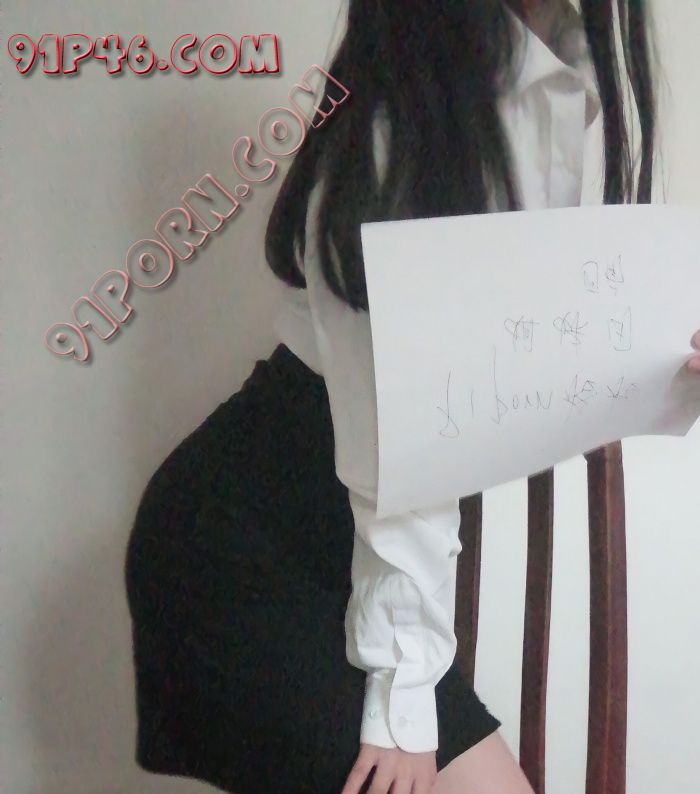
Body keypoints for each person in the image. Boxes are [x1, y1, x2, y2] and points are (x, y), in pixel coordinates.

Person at [125, 1, 700, 793]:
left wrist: (670, 363)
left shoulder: (570, 80)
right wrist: (403, 694)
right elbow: (402, 445)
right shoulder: (400, 128)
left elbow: (550, 350)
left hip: (359, 555)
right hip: (247, 556)